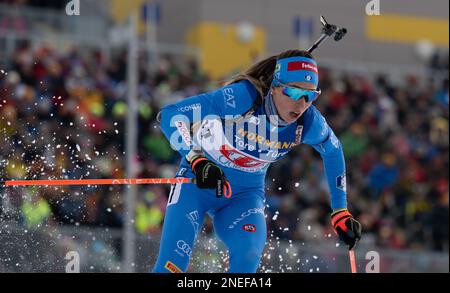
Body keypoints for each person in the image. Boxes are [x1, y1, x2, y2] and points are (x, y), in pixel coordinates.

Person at [152, 49, 362, 273]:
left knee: (248, 257)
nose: (301, 104)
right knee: (171, 267)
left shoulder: (309, 122)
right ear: (274, 87)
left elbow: (333, 150)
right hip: (198, 184)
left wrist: (340, 210)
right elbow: (170, 114)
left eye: (310, 96)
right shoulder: (242, 97)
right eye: (293, 92)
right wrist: (197, 160)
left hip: (243, 197)